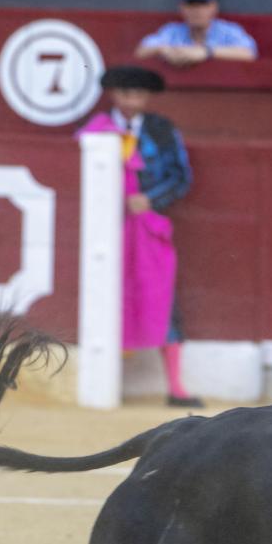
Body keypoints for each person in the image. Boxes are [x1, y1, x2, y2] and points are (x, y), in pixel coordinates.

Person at [78, 66, 203, 409]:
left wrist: (151, 200)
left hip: (147, 226)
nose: (132, 100)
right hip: (104, 230)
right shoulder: (95, 130)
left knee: (161, 296)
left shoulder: (162, 131)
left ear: (147, 97)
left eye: (138, 94)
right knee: (106, 297)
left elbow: (181, 177)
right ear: (114, 95)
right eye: (125, 93)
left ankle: (176, 387)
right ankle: (104, 380)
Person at [135, 0, 257, 66]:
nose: (197, 11)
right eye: (191, 5)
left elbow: (248, 53)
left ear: (214, 7)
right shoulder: (172, 31)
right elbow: (141, 52)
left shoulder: (229, 31)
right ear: (182, 8)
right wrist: (165, 50)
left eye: (203, 5)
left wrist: (206, 52)